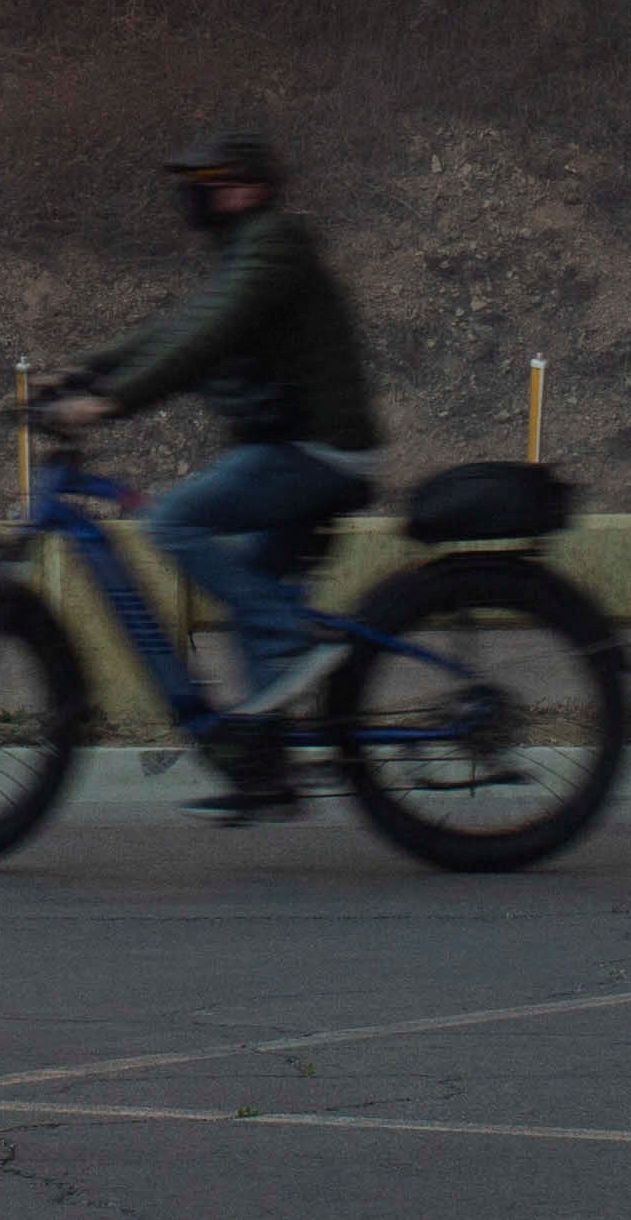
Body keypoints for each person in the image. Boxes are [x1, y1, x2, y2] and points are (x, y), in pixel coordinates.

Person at [34, 127, 382, 823]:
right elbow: (177, 328)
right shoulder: (244, 249)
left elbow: (204, 341)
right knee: (249, 582)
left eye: (210, 183)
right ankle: (265, 769)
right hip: (291, 446)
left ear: (250, 188)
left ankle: (292, 638)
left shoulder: (273, 245)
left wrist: (110, 401)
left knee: (174, 521)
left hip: (319, 452)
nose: (194, 196)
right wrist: (84, 372)